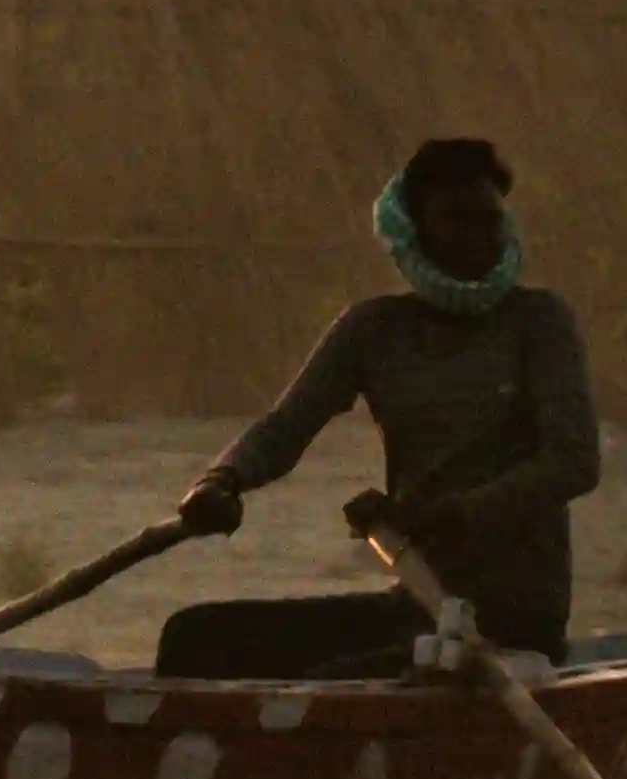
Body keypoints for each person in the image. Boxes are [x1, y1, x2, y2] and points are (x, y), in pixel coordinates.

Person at [154, 139, 600, 673]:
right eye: (457, 221)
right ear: (413, 233)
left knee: (330, 685)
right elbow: (282, 430)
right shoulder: (374, 329)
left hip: (511, 622)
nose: (479, 239)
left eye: (490, 221)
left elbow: (573, 461)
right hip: (415, 607)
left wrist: (454, 515)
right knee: (193, 638)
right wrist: (219, 482)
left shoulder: (539, 322)